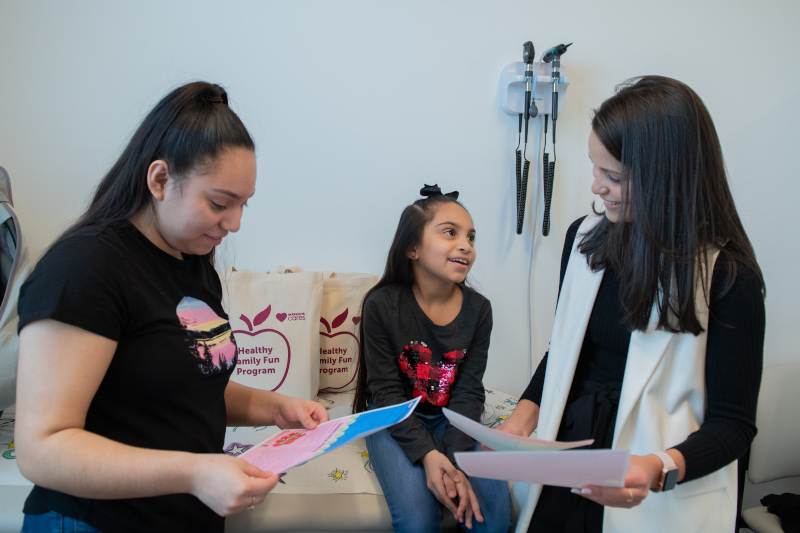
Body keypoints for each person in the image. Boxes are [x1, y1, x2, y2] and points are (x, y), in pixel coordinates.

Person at [15, 81, 329, 533]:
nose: (235, 223)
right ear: (160, 179)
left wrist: (274, 408)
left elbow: (184, 385)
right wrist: (196, 472)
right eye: (220, 203)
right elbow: (43, 448)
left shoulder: (193, 263)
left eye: (243, 205)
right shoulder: (85, 268)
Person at [497, 75, 766, 533]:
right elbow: (564, 351)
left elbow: (734, 425)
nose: (596, 188)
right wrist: (523, 416)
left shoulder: (725, 277)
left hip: (654, 487)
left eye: (613, 177)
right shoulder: (583, 239)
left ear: (668, 178)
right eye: (595, 168)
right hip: (568, 460)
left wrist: (659, 467)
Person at [351, 185, 512, 533]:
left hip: (452, 418)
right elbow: (387, 393)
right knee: (418, 521)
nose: (466, 245)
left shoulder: (479, 310)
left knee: (494, 517)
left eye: (471, 236)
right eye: (450, 233)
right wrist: (428, 456)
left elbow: (469, 391)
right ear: (412, 248)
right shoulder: (380, 305)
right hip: (394, 417)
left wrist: (452, 461)